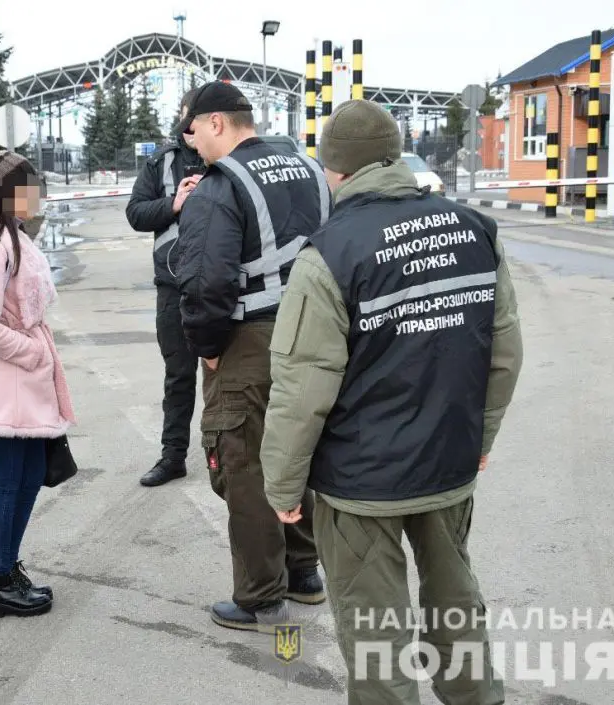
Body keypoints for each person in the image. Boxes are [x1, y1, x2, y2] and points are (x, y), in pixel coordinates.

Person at [260, 100, 523, 704]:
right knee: (456, 603)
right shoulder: (475, 231)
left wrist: (282, 483)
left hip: (361, 484)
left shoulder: (328, 253)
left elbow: (303, 387)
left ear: (336, 170)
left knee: (376, 632)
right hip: (449, 465)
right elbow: (503, 355)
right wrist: (478, 441)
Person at [174, 81, 331, 632]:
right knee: (299, 452)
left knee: (244, 464)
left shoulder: (220, 187)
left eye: (192, 131)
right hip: (315, 336)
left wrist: (208, 350)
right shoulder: (309, 169)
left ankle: (261, 598)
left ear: (217, 123)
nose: (191, 145)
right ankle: (304, 572)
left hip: (252, 342)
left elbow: (202, 283)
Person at [0, 137, 77, 619]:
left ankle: (7, 568)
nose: (38, 190)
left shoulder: (14, 238)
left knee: (28, 477)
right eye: (29, 183)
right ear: (8, 192)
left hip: (22, 382)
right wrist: (32, 353)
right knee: (7, 482)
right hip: (6, 382)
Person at [125, 88, 205, 487]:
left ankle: (221, 455)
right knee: (179, 376)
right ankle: (173, 456)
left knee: (228, 378)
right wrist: (173, 203)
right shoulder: (162, 163)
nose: (192, 126)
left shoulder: (229, 161)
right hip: (173, 288)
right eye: (188, 117)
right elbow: (135, 213)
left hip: (224, 286)